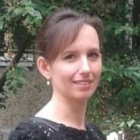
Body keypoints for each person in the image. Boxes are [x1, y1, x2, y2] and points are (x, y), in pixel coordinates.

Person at [8, 8, 106, 140]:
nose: (86, 68)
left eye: (92, 55)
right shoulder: (29, 136)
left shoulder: (95, 134)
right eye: (70, 56)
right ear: (45, 67)